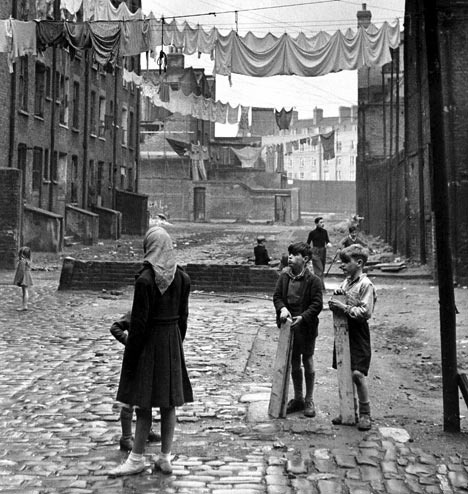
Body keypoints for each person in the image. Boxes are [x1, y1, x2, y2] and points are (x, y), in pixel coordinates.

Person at [109, 226, 193, 477]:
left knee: (143, 404)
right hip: (171, 342)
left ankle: (136, 459)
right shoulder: (183, 278)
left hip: (148, 344)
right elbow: (184, 319)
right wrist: (175, 345)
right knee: (169, 404)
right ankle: (165, 457)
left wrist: (132, 357)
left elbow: (140, 323)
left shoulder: (145, 279)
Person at [328, 244, 377, 431]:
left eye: (345, 262)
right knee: (345, 372)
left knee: (358, 373)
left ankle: (366, 414)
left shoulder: (366, 285)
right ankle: (348, 410)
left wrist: (345, 308)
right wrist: (336, 299)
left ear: (358, 262)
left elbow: (365, 311)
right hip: (343, 331)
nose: (342, 266)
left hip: (358, 332)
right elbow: (336, 301)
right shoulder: (345, 283)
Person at [273, 242, 323, 417]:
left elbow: (317, 304)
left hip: (306, 327)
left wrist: (303, 317)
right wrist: (282, 309)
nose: (290, 257)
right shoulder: (284, 277)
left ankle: (309, 399)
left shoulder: (314, 281)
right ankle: (298, 398)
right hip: (290, 326)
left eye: (295, 255)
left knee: (307, 359)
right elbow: (277, 297)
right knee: (294, 361)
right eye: (290, 254)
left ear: (306, 259)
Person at [110, 311, 162, 451]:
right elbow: (115, 327)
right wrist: (129, 342)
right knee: (129, 399)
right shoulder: (134, 312)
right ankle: (126, 438)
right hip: (133, 362)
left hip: (149, 360)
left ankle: (146, 432)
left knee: (147, 396)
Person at [306, 217, 332, 284]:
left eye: (323, 222)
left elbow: (327, 241)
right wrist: (309, 252)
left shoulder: (325, 232)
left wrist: (329, 244)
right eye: (321, 222)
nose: (322, 224)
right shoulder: (312, 233)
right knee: (319, 270)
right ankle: (319, 287)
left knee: (322, 269)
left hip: (323, 251)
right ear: (316, 223)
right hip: (315, 252)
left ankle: (321, 287)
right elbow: (307, 244)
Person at [13, 246, 33, 311]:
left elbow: (21, 271)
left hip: (24, 276)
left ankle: (24, 306)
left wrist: (19, 279)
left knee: (25, 291)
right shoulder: (28, 260)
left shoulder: (23, 261)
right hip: (27, 275)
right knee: (25, 291)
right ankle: (24, 305)